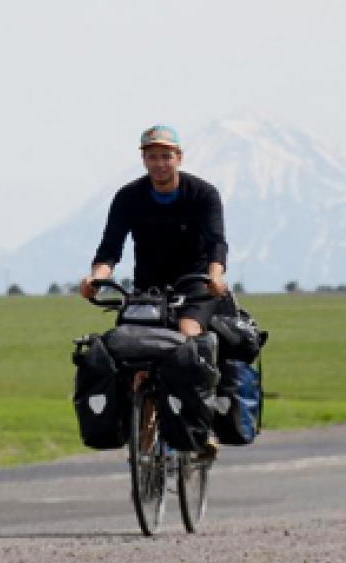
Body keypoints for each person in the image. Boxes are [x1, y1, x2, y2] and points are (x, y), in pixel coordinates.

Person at [79, 124, 229, 459]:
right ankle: (144, 445)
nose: (160, 163)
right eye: (152, 156)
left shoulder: (203, 194)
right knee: (136, 356)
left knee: (189, 337)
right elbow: (109, 250)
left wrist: (215, 276)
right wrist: (95, 279)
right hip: (147, 287)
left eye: (166, 156)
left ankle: (202, 426)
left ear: (179, 158)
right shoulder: (129, 196)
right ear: (143, 160)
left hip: (194, 286)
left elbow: (217, 243)